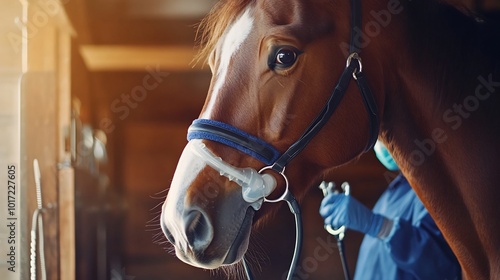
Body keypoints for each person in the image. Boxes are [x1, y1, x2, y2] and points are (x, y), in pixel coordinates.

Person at [319, 141, 462, 280]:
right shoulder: (393, 191)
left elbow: (441, 271)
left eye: (384, 136)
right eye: (377, 138)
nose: (379, 144)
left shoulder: (433, 192)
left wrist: (378, 225)